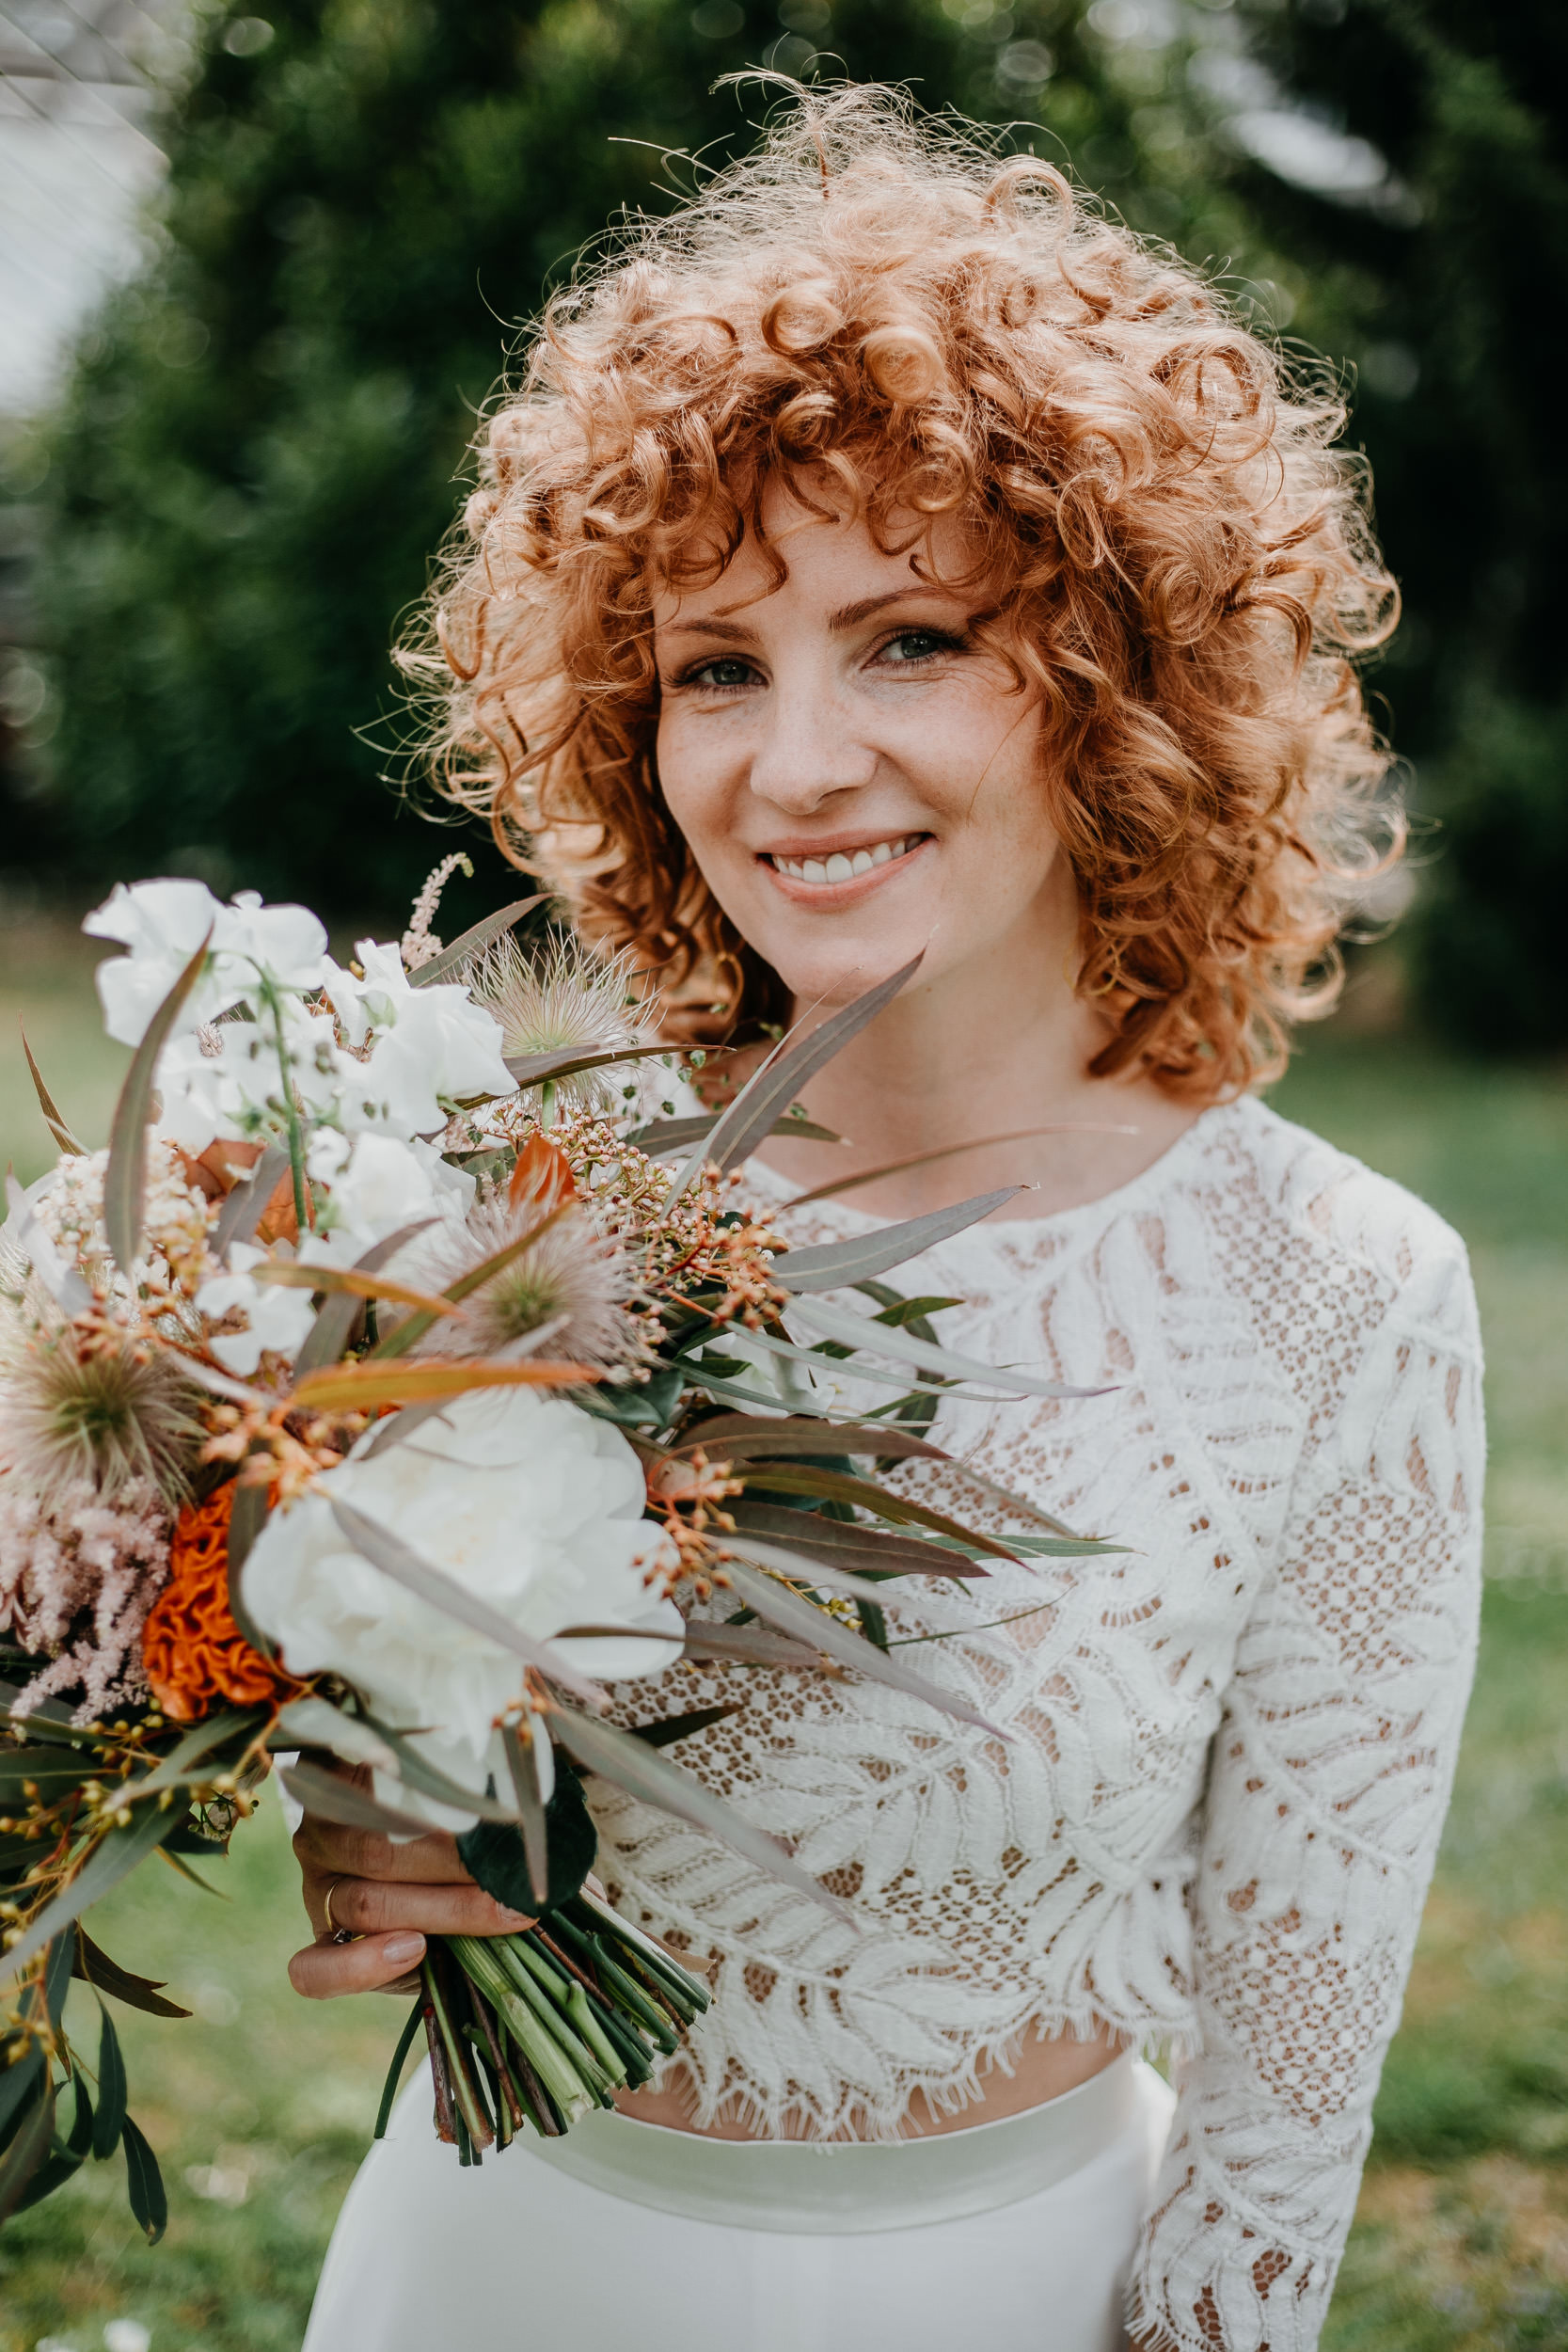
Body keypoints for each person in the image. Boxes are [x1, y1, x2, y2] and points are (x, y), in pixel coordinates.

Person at [288, 84, 1483, 2352]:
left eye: (909, 636)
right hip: (493, 2266)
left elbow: (1279, 2125)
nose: (797, 760)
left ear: (1113, 679)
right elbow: (373, 1691)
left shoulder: (1340, 1297)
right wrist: (368, 1795)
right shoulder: (515, 1195)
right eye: (718, 666)